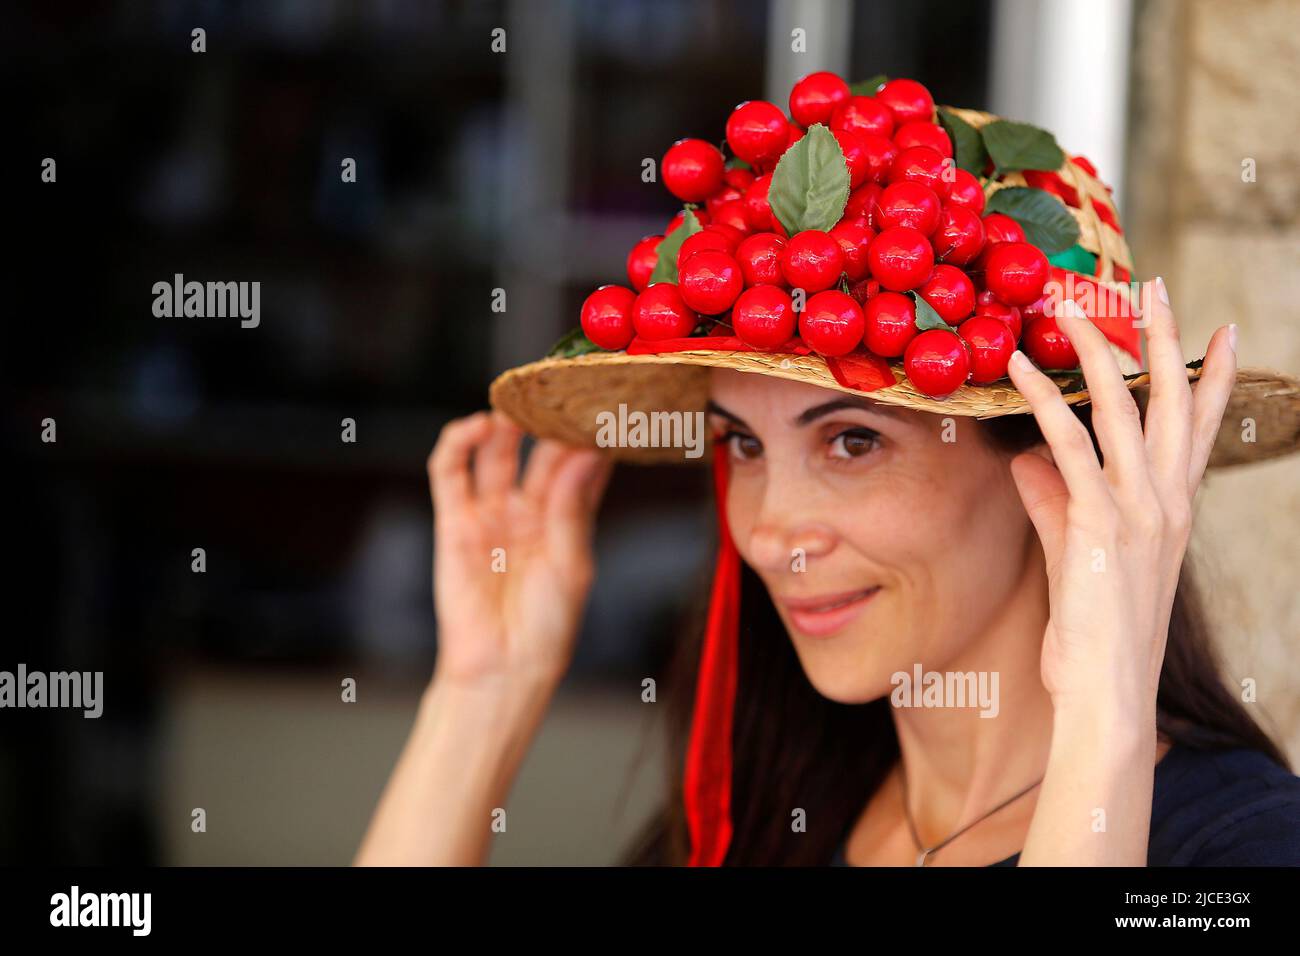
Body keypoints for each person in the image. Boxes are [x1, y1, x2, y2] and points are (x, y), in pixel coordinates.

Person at [355, 86, 1300, 866]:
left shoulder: (1238, 848)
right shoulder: (774, 809)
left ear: (1070, 469)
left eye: (853, 442)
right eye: (743, 445)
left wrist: (1104, 719)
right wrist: (485, 689)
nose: (769, 531)